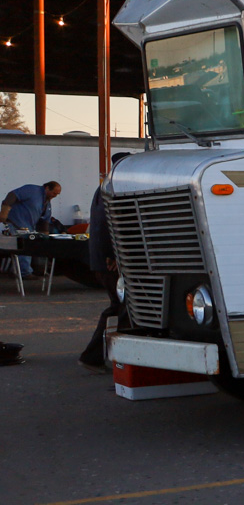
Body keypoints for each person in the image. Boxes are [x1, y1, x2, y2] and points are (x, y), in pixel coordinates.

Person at [80, 158, 127, 368]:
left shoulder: (104, 187)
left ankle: (100, 356)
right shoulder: (112, 188)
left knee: (121, 306)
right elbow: (110, 223)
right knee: (122, 305)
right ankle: (94, 356)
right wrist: (114, 254)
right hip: (109, 260)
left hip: (103, 258)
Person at [2, 179, 61, 278]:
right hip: (16, 223)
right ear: (47, 188)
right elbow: (12, 196)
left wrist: (45, 235)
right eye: (54, 193)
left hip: (29, 227)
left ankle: (33, 270)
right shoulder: (31, 190)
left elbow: (45, 220)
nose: (54, 196)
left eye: (57, 194)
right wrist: (4, 212)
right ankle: (24, 272)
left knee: (33, 246)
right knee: (24, 246)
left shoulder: (47, 203)